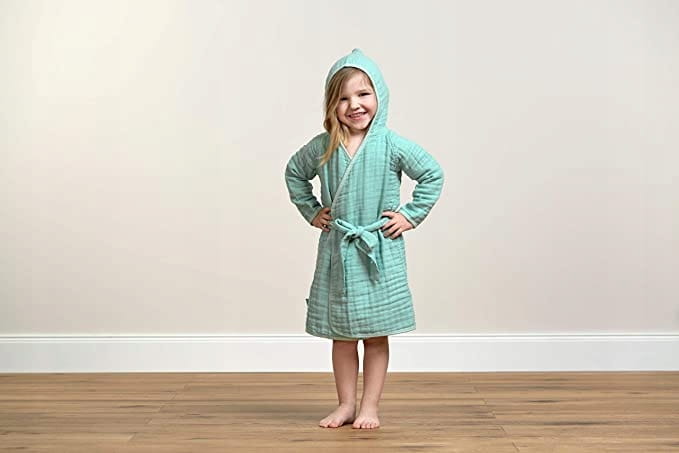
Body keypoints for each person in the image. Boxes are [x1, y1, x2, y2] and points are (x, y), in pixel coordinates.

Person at [284, 48, 444, 429]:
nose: (354, 105)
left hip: (378, 251)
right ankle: (345, 404)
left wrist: (409, 215)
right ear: (332, 105)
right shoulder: (323, 145)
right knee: (341, 336)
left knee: (374, 335)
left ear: (379, 96)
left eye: (363, 94)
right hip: (339, 250)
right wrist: (312, 210)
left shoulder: (391, 143)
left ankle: (370, 406)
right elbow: (294, 173)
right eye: (343, 98)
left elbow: (432, 174)